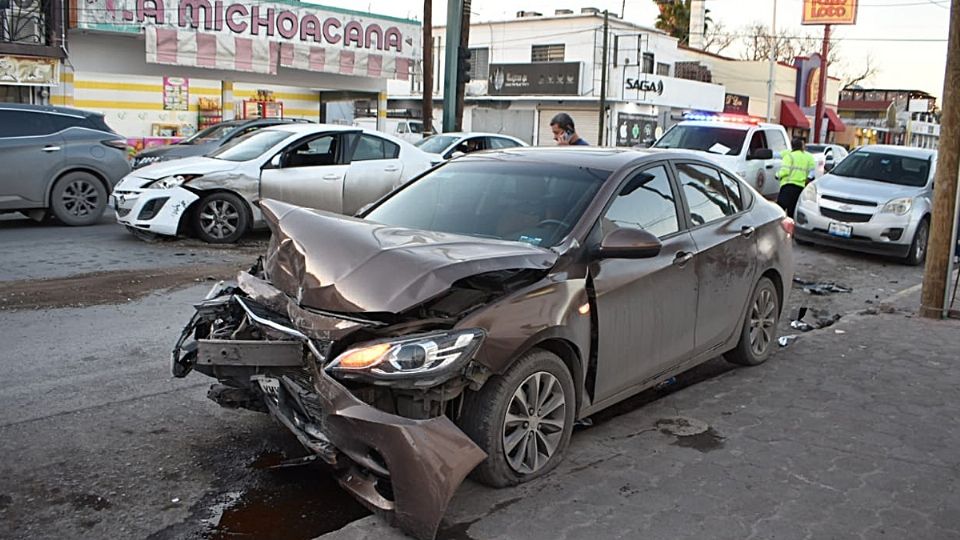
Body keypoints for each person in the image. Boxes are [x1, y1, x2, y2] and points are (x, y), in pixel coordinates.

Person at [776, 137, 816, 218]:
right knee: (792, 210)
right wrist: (807, 180)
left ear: (792, 146)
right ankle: (791, 227)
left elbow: (785, 171)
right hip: (799, 187)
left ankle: (778, 227)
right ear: (802, 146)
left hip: (787, 186)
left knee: (780, 210)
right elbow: (812, 173)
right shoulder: (809, 157)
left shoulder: (788, 155)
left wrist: (777, 175)